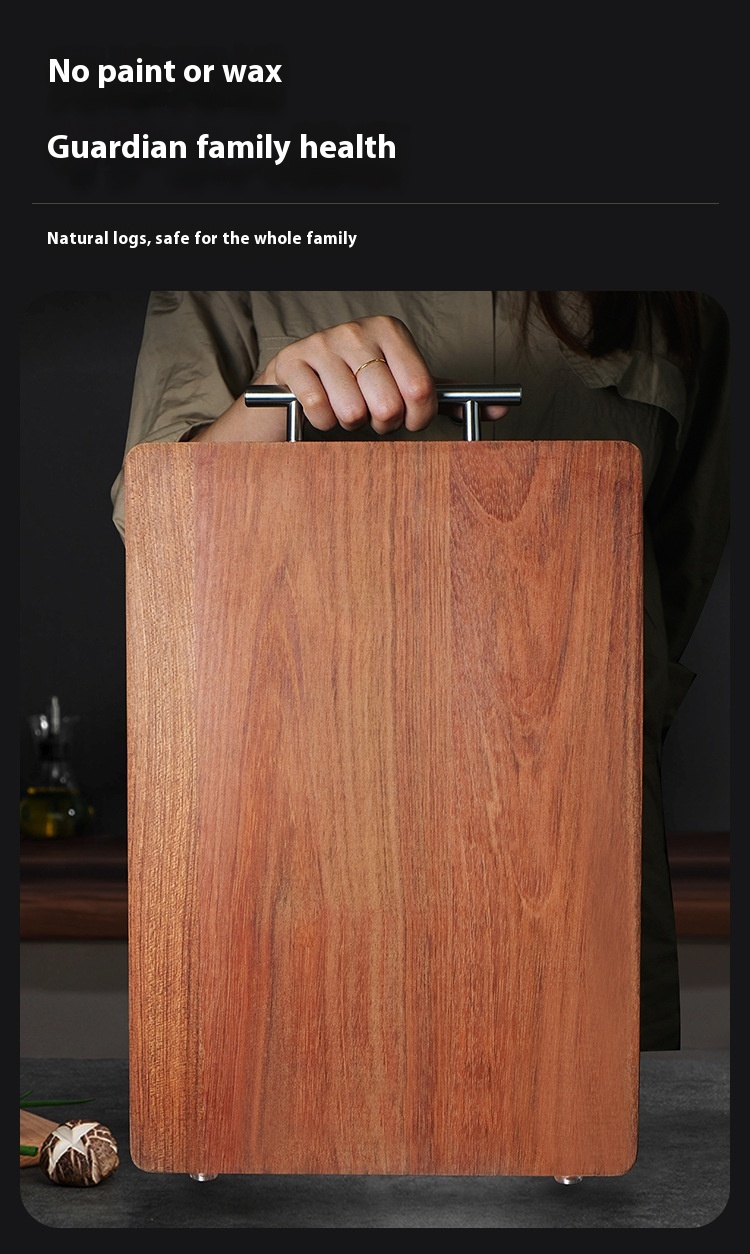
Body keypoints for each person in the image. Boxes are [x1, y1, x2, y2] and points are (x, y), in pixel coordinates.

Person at [112, 290, 730, 1051]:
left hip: (572, 862)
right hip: (298, 858)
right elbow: (159, 536)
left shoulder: (670, 294)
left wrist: (585, 735)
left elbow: (672, 573)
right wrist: (275, 397)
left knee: (594, 1108)